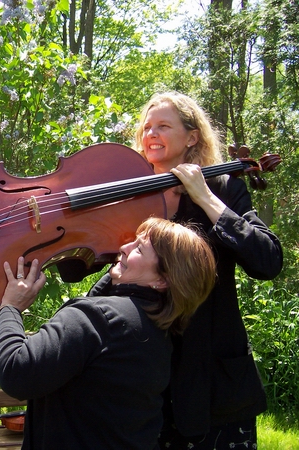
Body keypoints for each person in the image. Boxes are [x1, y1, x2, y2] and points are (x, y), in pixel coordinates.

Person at [134, 91, 283, 448]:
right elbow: (80, 267)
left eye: (164, 126)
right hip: (146, 368)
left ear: (192, 137)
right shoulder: (132, 195)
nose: (151, 133)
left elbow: (267, 260)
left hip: (214, 371)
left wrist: (204, 198)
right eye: (147, 127)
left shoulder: (223, 187)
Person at [0, 217, 217, 450]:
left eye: (139, 248)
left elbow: (16, 372)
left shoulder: (97, 318)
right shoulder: (153, 325)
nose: (123, 247)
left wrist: (10, 307)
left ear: (162, 279)